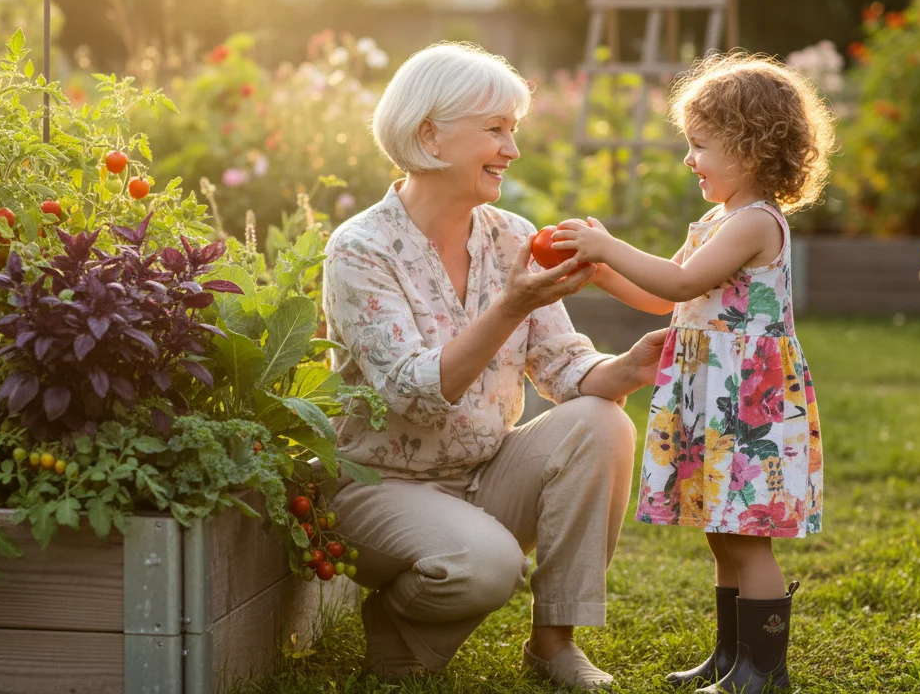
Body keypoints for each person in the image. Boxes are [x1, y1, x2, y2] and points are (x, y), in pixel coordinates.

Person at [322, 41, 667, 691]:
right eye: (495, 130)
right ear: (430, 134)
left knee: (604, 422)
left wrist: (628, 367)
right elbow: (410, 394)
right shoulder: (361, 250)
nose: (511, 149)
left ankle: (553, 642)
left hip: (482, 471)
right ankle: (396, 620)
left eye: (514, 130)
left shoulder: (511, 235)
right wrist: (510, 307)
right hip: (380, 484)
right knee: (488, 565)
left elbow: (563, 365)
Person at [550, 51, 838, 694]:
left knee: (748, 539)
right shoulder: (714, 221)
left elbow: (682, 278)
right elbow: (666, 297)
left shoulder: (755, 223)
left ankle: (765, 673)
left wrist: (609, 245)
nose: (689, 159)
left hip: (749, 405)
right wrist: (603, 270)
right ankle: (731, 659)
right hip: (717, 396)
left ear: (750, 149)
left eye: (700, 145)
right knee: (721, 533)